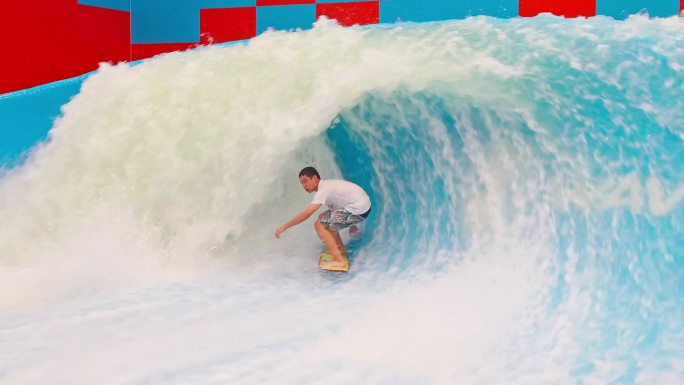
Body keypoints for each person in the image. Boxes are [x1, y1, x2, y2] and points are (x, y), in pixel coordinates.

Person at [275, 167, 372, 268]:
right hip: (362, 206)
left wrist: (285, 227)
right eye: (301, 183)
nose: (304, 185)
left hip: (359, 209)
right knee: (323, 218)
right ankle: (340, 250)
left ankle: (339, 261)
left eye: (305, 181)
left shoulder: (323, 189)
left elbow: (306, 215)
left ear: (315, 178)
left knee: (320, 225)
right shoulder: (327, 185)